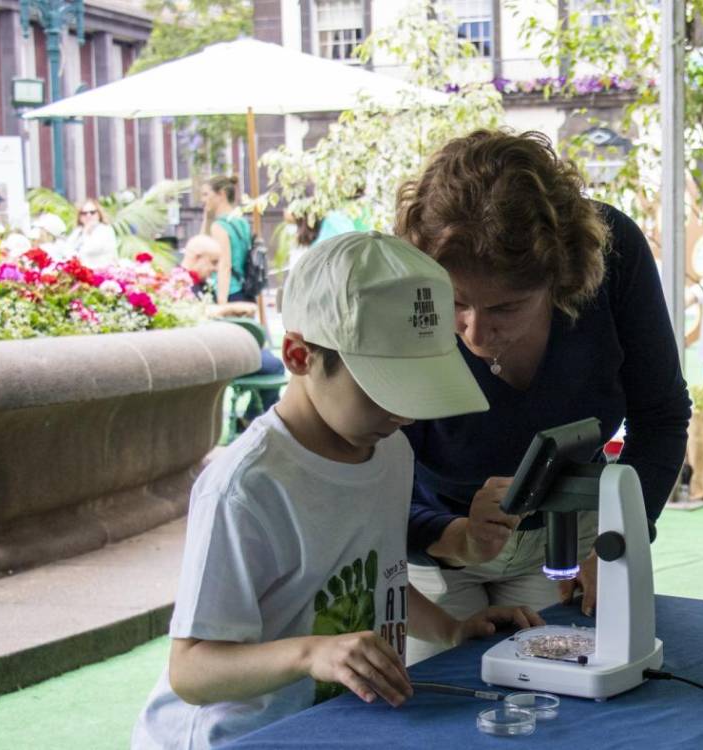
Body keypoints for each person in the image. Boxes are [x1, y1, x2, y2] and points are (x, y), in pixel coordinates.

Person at [132, 232, 542, 749]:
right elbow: (190, 670)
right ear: (299, 355)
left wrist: (453, 630)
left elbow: (376, 579)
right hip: (234, 736)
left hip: (328, 725)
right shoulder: (246, 488)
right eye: (382, 387)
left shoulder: (390, 448)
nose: (404, 413)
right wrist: (313, 654)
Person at [395, 130, 690, 662]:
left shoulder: (613, 255)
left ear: (564, 278)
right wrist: (450, 536)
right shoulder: (404, 285)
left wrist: (623, 536)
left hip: (571, 534)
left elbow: (662, 415)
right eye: (455, 304)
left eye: (507, 308)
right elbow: (372, 468)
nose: (476, 335)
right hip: (433, 545)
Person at [182, 235, 285, 423]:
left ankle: (251, 418)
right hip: (209, 355)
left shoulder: (199, 283)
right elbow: (194, 312)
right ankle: (253, 419)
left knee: (273, 362)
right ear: (197, 257)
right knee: (274, 365)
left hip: (217, 347)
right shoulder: (180, 284)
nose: (214, 269)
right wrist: (230, 308)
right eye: (212, 262)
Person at [201, 176, 254, 304]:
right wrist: (207, 218)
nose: (203, 200)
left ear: (222, 194)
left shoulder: (219, 226)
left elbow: (224, 265)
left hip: (227, 292)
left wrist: (221, 303)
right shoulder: (242, 222)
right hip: (244, 290)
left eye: (206, 194)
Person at [66, 198, 119, 267]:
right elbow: (67, 251)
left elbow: (90, 249)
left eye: (92, 212)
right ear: (80, 217)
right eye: (84, 213)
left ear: (99, 214)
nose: (88, 215)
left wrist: (86, 232)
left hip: (102, 272)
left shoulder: (105, 230)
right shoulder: (77, 232)